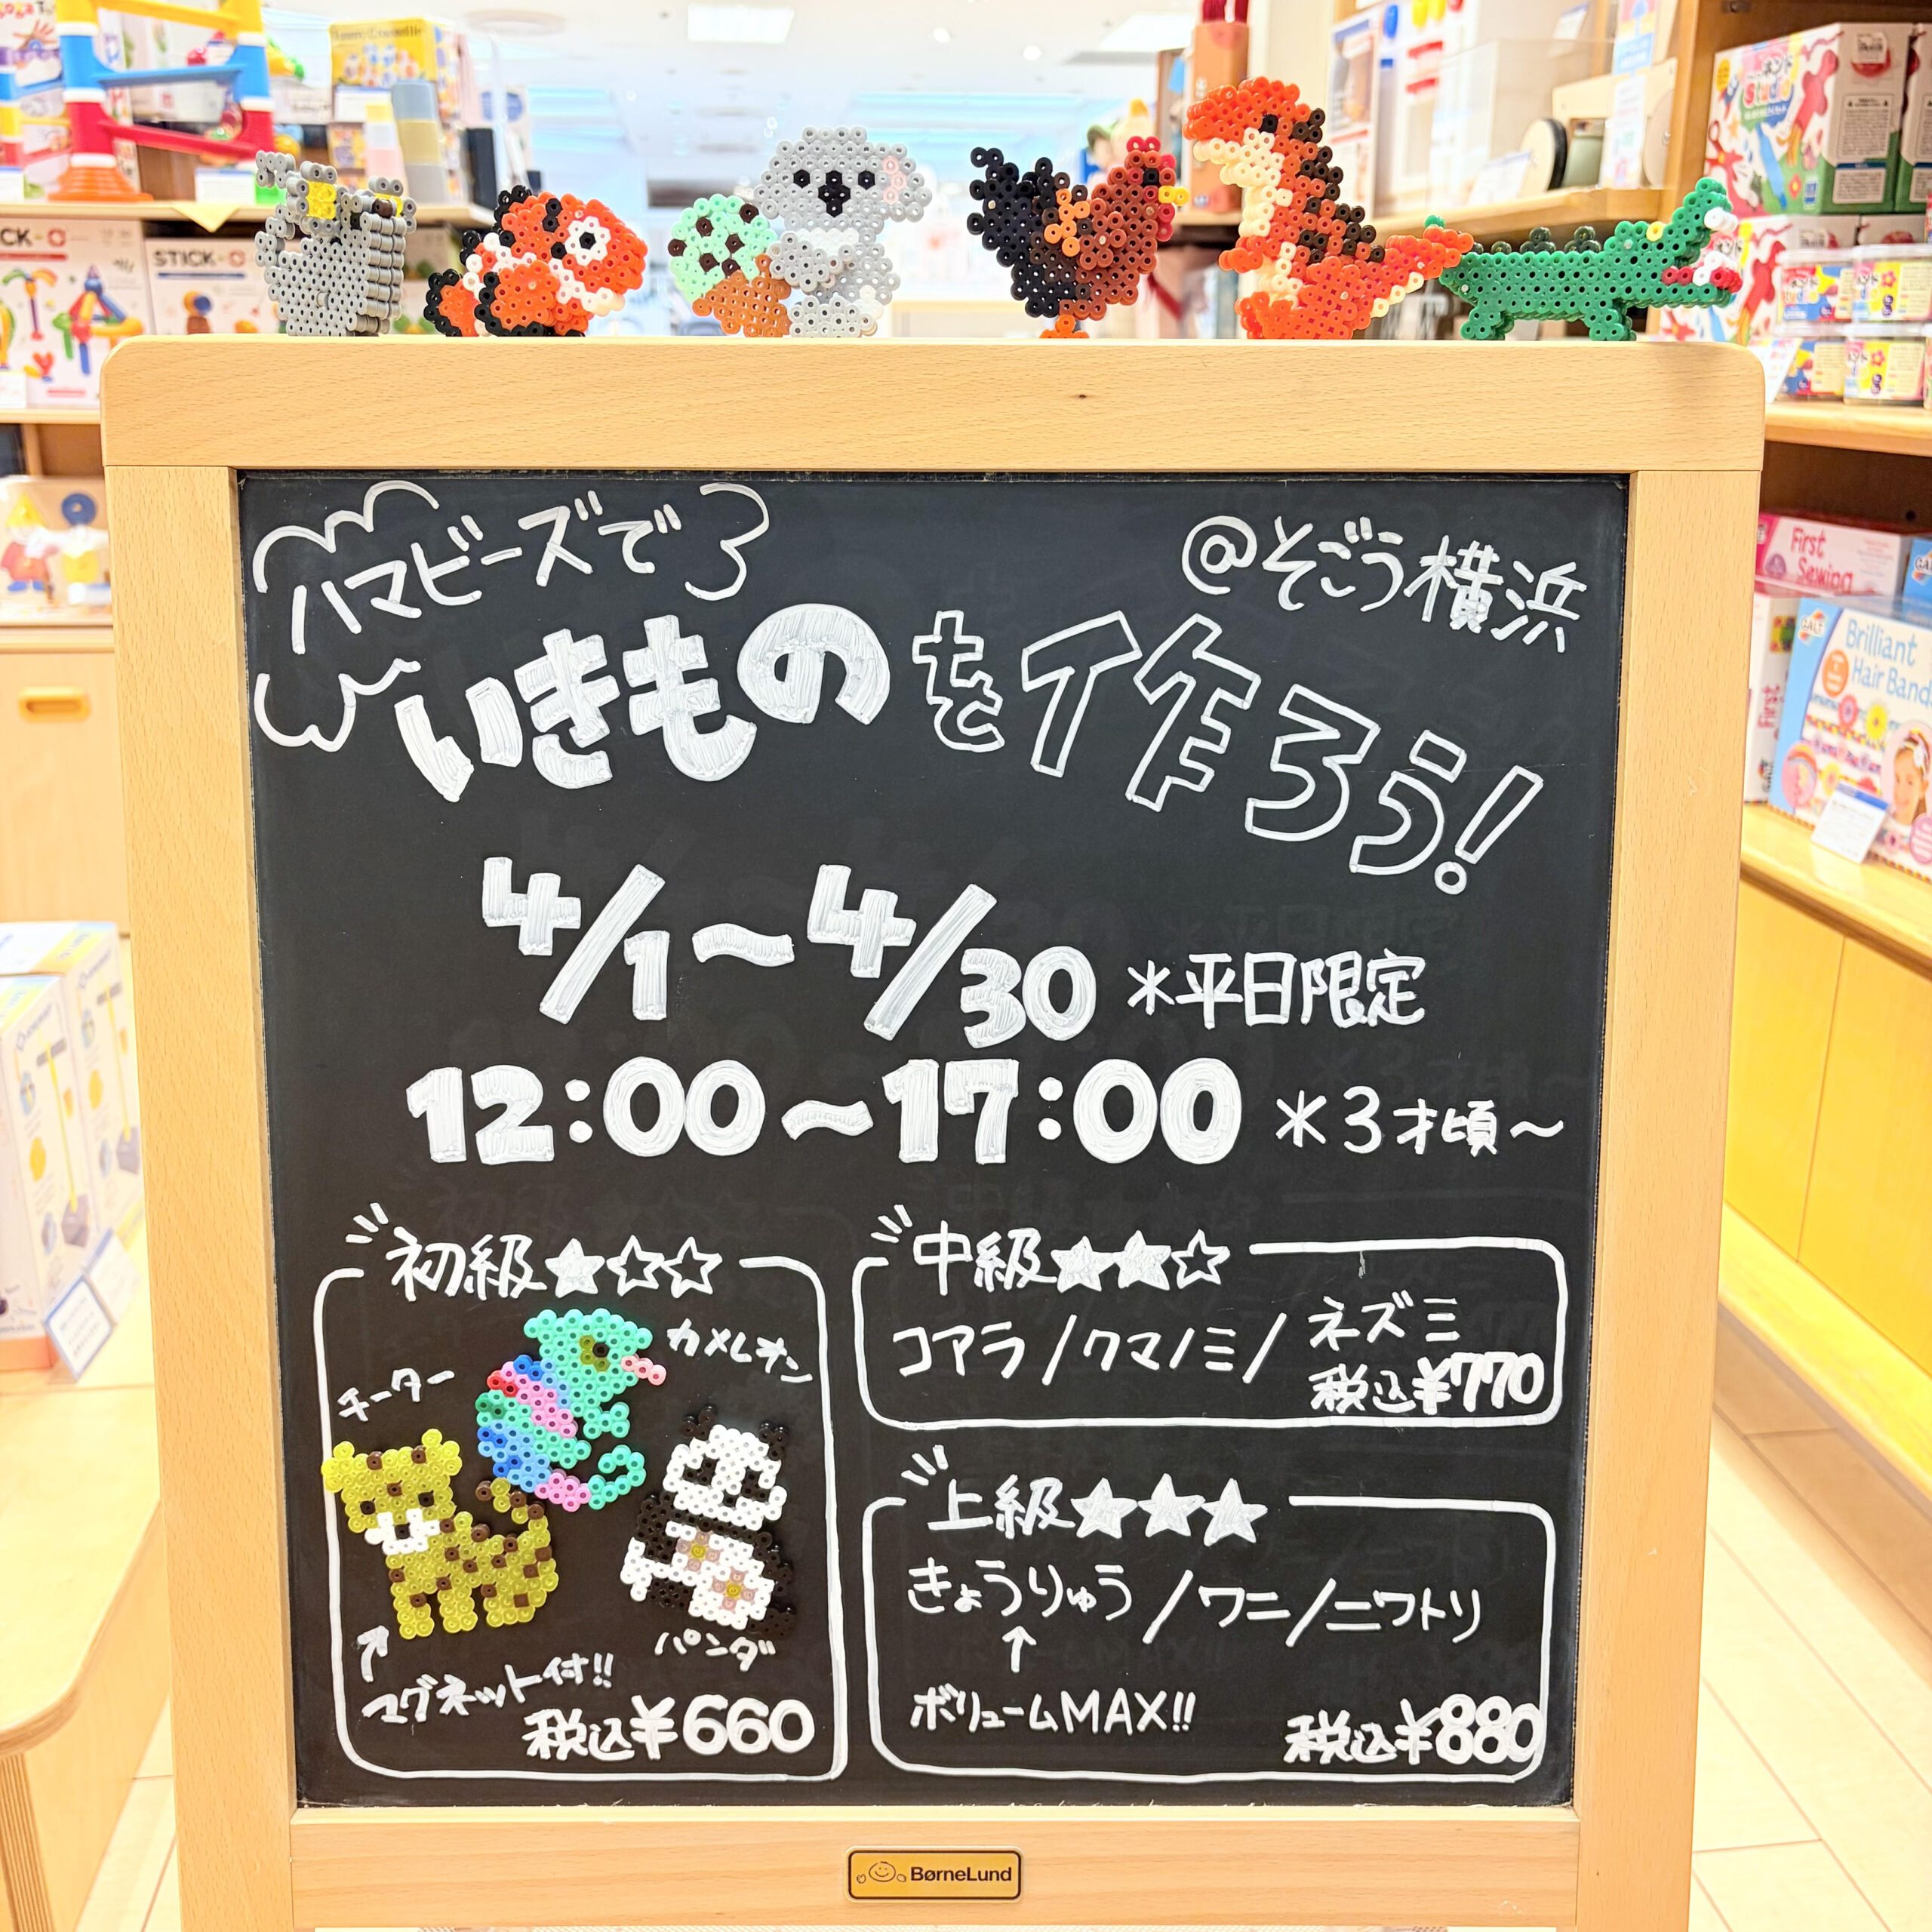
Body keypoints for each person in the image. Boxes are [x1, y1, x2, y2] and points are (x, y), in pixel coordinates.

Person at [1891, 728, 1931, 829]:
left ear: (1923, 787)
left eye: (1910, 783)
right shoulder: (1885, 823)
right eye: (1898, 780)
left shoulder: (1924, 834)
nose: (1901, 791)